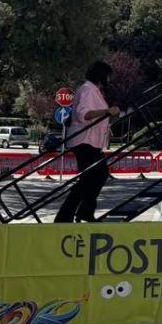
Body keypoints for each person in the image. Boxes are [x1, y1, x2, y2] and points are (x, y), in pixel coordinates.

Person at [55, 61, 120, 223]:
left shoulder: (94, 91)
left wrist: (109, 116)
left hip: (90, 142)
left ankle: (81, 212)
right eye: (108, 76)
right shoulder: (88, 90)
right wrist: (107, 111)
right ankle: (69, 215)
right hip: (84, 142)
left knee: (96, 176)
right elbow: (83, 114)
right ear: (101, 75)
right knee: (92, 177)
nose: (109, 80)